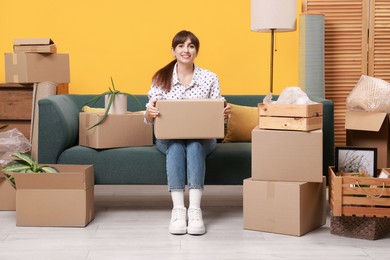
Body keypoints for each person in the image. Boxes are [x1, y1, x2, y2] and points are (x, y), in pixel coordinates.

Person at [144, 30, 231, 235]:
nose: (186, 50)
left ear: (196, 51)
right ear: (173, 50)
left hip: (202, 139)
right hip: (168, 139)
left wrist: (223, 114)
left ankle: (194, 210)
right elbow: (148, 121)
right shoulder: (160, 78)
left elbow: (217, 116)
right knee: (175, 145)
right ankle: (178, 209)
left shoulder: (210, 78)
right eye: (181, 45)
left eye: (191, 46)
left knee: (194, 144)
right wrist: (150, 113)